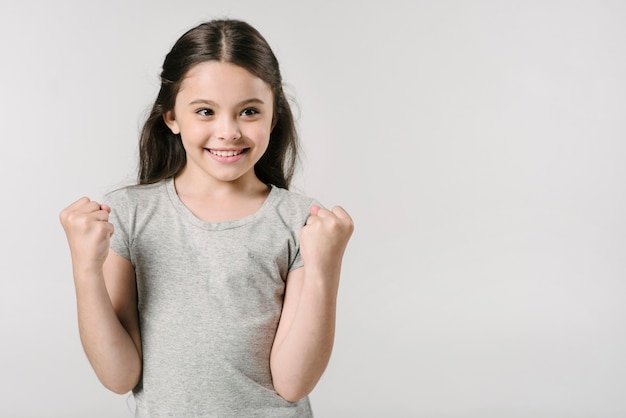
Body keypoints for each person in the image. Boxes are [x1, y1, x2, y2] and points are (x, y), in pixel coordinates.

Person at [59, 19, 353, 417]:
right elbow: (119, 377)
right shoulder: (128, 215)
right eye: (205, 111)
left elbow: (293, 382)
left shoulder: (300, 221)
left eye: (249, 111)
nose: (228, 131)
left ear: (274, 116)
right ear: (171, 118)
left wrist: (325, 268)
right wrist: (85, 270)